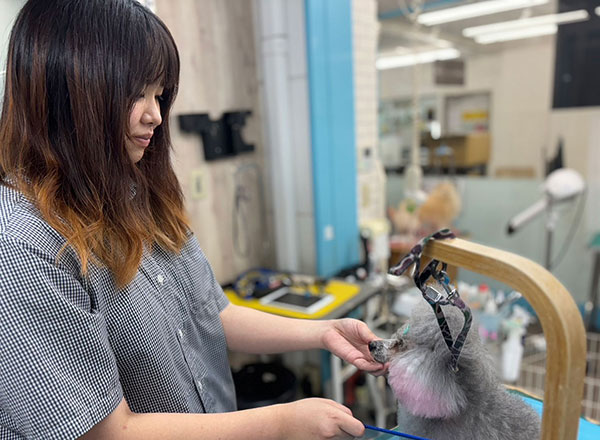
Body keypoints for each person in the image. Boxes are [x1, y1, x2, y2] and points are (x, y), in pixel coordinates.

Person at [0, 1, 386, 439]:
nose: (155, 115)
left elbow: (213, 315)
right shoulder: (21, 245)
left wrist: (323, 333)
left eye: (159, 94)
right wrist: (282, 422)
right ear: (68, 92)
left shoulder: (137, 195)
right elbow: (106, 432)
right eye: (136, 94)